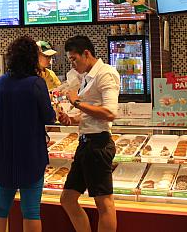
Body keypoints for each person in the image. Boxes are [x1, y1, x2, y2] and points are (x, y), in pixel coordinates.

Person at [0, 36, 56, 232]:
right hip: (30, 155)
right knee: (31, 211)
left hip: (4, 155)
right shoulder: (36, 83)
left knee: (1, 207)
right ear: (32, 58)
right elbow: (49, 117)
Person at [57, 35, 120, 232]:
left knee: (104, 203)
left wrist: (76, 102)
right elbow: (89, 115)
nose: (73, 65)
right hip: (85, 144)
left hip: (98, 144)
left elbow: (109, 113)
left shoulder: (105, 73)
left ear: (86, 53)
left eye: (74, 59)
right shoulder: (87, 77)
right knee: (67, 198)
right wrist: (71, 119)